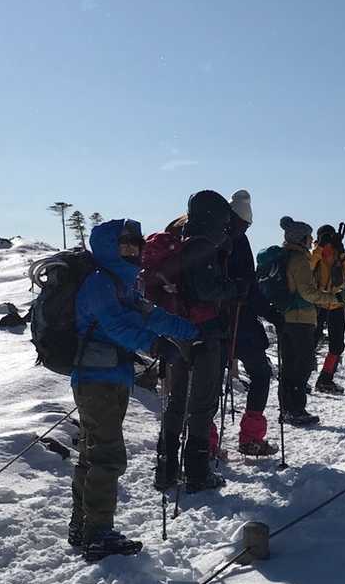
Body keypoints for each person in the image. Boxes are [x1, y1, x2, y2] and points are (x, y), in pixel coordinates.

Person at [71, 218, 196, 561]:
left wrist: (192, 332)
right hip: (97, 379)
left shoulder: (123, 284)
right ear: (108, 247)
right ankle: (98, 532)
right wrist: (155, 346)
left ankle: (83, 526)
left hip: (110, 376)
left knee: (93, 453)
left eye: (135, 246)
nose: (131, 251)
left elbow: (153, 316)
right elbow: (115, 325)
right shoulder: (100, 282)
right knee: (106, 454)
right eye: (124, 245)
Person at [155, 190, 240, 491]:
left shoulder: (182, 239)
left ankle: (165, 469)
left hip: (177, 332)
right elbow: (206, 290)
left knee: (176, 402)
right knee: (202, 405)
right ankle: (196, 471)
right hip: (202, 333)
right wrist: (232, 288)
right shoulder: (202, 246)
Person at [275, 216, 345, 426]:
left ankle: (287, 409)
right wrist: (334, 298)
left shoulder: (285, 257)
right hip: (301, 319)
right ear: (301, 239)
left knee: (289, 365)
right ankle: (296, 409)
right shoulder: (300, 260)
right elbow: (307, 292)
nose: (311, 240)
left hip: (285, 317)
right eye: (308, 237)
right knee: (303, 365)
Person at [226, 190, 277, 455]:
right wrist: (271, 314)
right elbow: (250, 286)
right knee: (260, 373)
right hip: (240, 320)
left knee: (209, 384)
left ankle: (204, 445)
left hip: (208, 320)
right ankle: (250, 438)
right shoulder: (239, 241)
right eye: (246, 224)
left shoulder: (207, 236)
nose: (246, 228)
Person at [311, 224, 345, 395]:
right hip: (319, 303)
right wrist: (320, 248)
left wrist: (342, 253)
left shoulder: (339, 253)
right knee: (310, 343)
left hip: (336, 305)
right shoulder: (316, 252)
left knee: (337, 345)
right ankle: (301, 378)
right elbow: (308, 267)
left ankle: (325, 379)